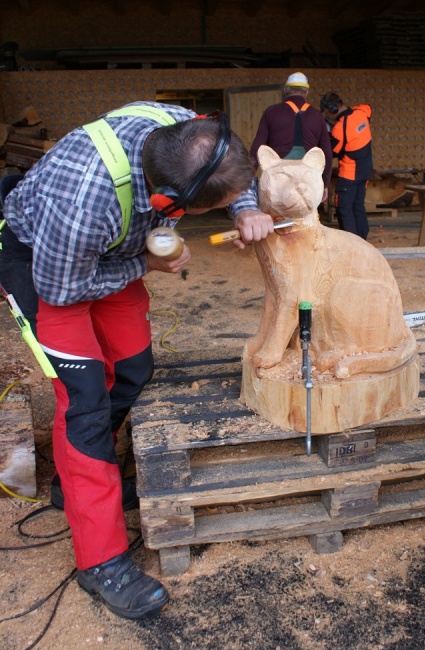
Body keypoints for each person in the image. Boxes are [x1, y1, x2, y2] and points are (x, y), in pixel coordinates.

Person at [0, 100, 273, 620]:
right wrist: (145, 263)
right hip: (46, 266)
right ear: (166, 202)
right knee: (84, 404)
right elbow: (63, 290)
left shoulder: (181, 128)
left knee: (132, 367)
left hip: (111, 253)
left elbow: (230, 171)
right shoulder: (82, 202)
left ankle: (73, 485)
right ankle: (99, 561)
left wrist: (245, 208)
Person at [249, 72, 333, 202]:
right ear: (307, 92)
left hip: (278, 180)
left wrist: (247, 178)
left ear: (285, 90)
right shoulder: (317, 116)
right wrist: (324, 184)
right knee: (306, 214)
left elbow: (257, 148)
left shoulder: (271, 112)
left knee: (276, 213)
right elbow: (327, 153)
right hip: (308, 182)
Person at [320, 91, 374, 240]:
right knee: (358, 207)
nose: (327, 117)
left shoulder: (339, 128)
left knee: (344, 209)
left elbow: (332, 152)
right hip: (365, 172)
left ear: (332, 109)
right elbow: (368, 108)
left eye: (326, 113)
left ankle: (351, 243)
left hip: (349, 175)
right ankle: (363, 241)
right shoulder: (361, 112)